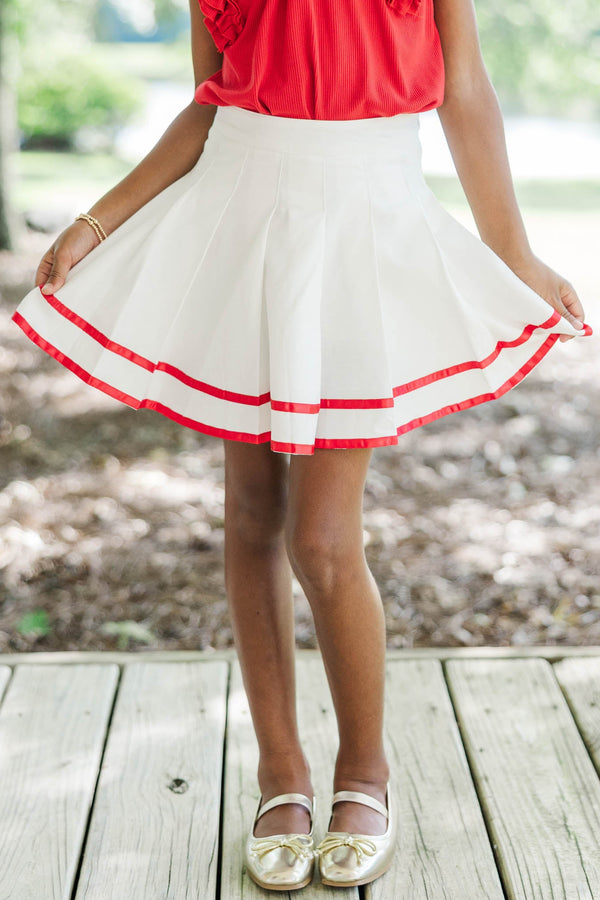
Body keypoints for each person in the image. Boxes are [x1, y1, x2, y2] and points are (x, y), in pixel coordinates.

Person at [11, 0, 592, 891]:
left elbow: (464, 87)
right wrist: (100, 218)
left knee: (323, 540)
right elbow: (212, 101)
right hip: (238, 212)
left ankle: (366, 771)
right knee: (251, 513)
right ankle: (280, 771)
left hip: (362, 218)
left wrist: (511, 250)